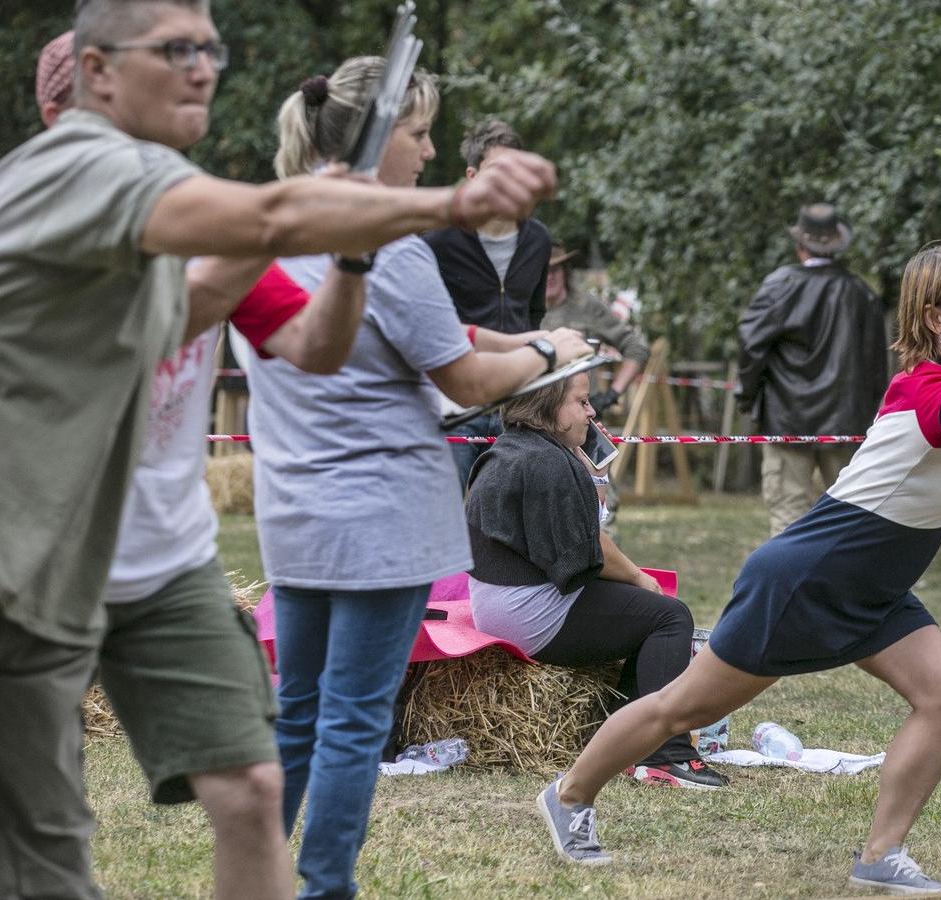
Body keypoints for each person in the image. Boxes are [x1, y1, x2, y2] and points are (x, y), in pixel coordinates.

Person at [0, 1, 556, 895]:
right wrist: (449, 202)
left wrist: (352, 246)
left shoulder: (179, 218)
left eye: (210, 48)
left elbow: (298, 334)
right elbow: (268, 215)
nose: (204, 67)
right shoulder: (83, 170)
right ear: (96, 76)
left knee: (247, 786)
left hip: (130, 553)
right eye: (175, 49)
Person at [535, 242, 941, 894]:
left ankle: (881, 857)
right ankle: (571, 795)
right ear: (932, 318)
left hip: (874, 590)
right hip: (807, 580)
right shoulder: (925, 391)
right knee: (678, 709)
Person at [22, 31, 369, 899]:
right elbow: (157, 320)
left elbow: (311, 347)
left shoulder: (210, 225)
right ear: (61, 115)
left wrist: (353, 252)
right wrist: (290, 212)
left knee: (253, 790)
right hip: (27, 554)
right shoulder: (36, 219)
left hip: (164, 560)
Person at [250, 57, 588, 899]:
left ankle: (251, 880)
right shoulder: (388, 250)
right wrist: (552, 350)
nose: (431, 153)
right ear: (373, 139)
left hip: (293, 512)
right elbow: (465, 382)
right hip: (379, 521)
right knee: (355, 721)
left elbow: (439, 334)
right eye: (418, 132)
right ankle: (325, 887)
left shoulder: (271, 228)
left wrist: (513, 344)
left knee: (298, 712)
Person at [465, 373, 727, 789]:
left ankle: (619, 736)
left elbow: (581, 536)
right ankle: (664, 754)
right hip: (527, 613)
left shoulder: (520, 449)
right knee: (669, 617)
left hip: (497, 600)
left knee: (644, 613)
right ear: (549, 406)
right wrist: (640, 579)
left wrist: (592, 477)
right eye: (581, 402)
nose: (591, 411)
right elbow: (588, 554)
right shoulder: (547, 463)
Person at [738, 201, 890, 536]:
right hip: (847, 423)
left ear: (799, 245)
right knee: (849, 517)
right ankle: (846, 587)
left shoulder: (780, 285)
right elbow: (878, 367)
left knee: (787, 517)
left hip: (786, 420)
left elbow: (751, 346)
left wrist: (747, 397)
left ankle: (790, 586)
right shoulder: (862, 294)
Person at [425, 119, 555, 487]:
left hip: (518, 403)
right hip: (455, 403)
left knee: (510, 513)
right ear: (471, 175)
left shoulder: (539, 240)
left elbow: (535, 313)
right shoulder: (437, 242)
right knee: (448, 508)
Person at [541, 242, 651, 415]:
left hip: (579, 418)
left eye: (554, 270)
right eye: (543, 271)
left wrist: (611, 395)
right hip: (535, 415)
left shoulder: (587, 307)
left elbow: (637, 348)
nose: (549, 277)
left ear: (565, 271)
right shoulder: (522, 310)